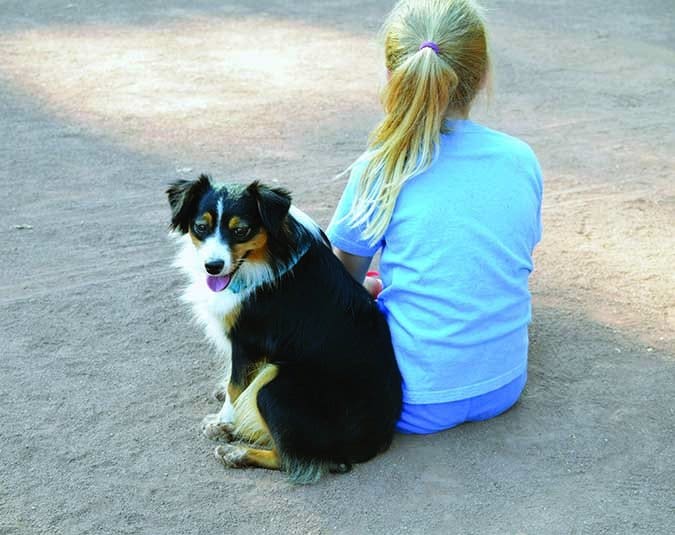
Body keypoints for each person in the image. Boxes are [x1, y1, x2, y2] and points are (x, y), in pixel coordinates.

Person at [327, 0, 543, 434]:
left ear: (393, 77)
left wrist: (373, 287)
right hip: (504, 385)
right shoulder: (521, 158)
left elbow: (342, 285)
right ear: (482, 76)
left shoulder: (383, 166)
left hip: (411, 402)